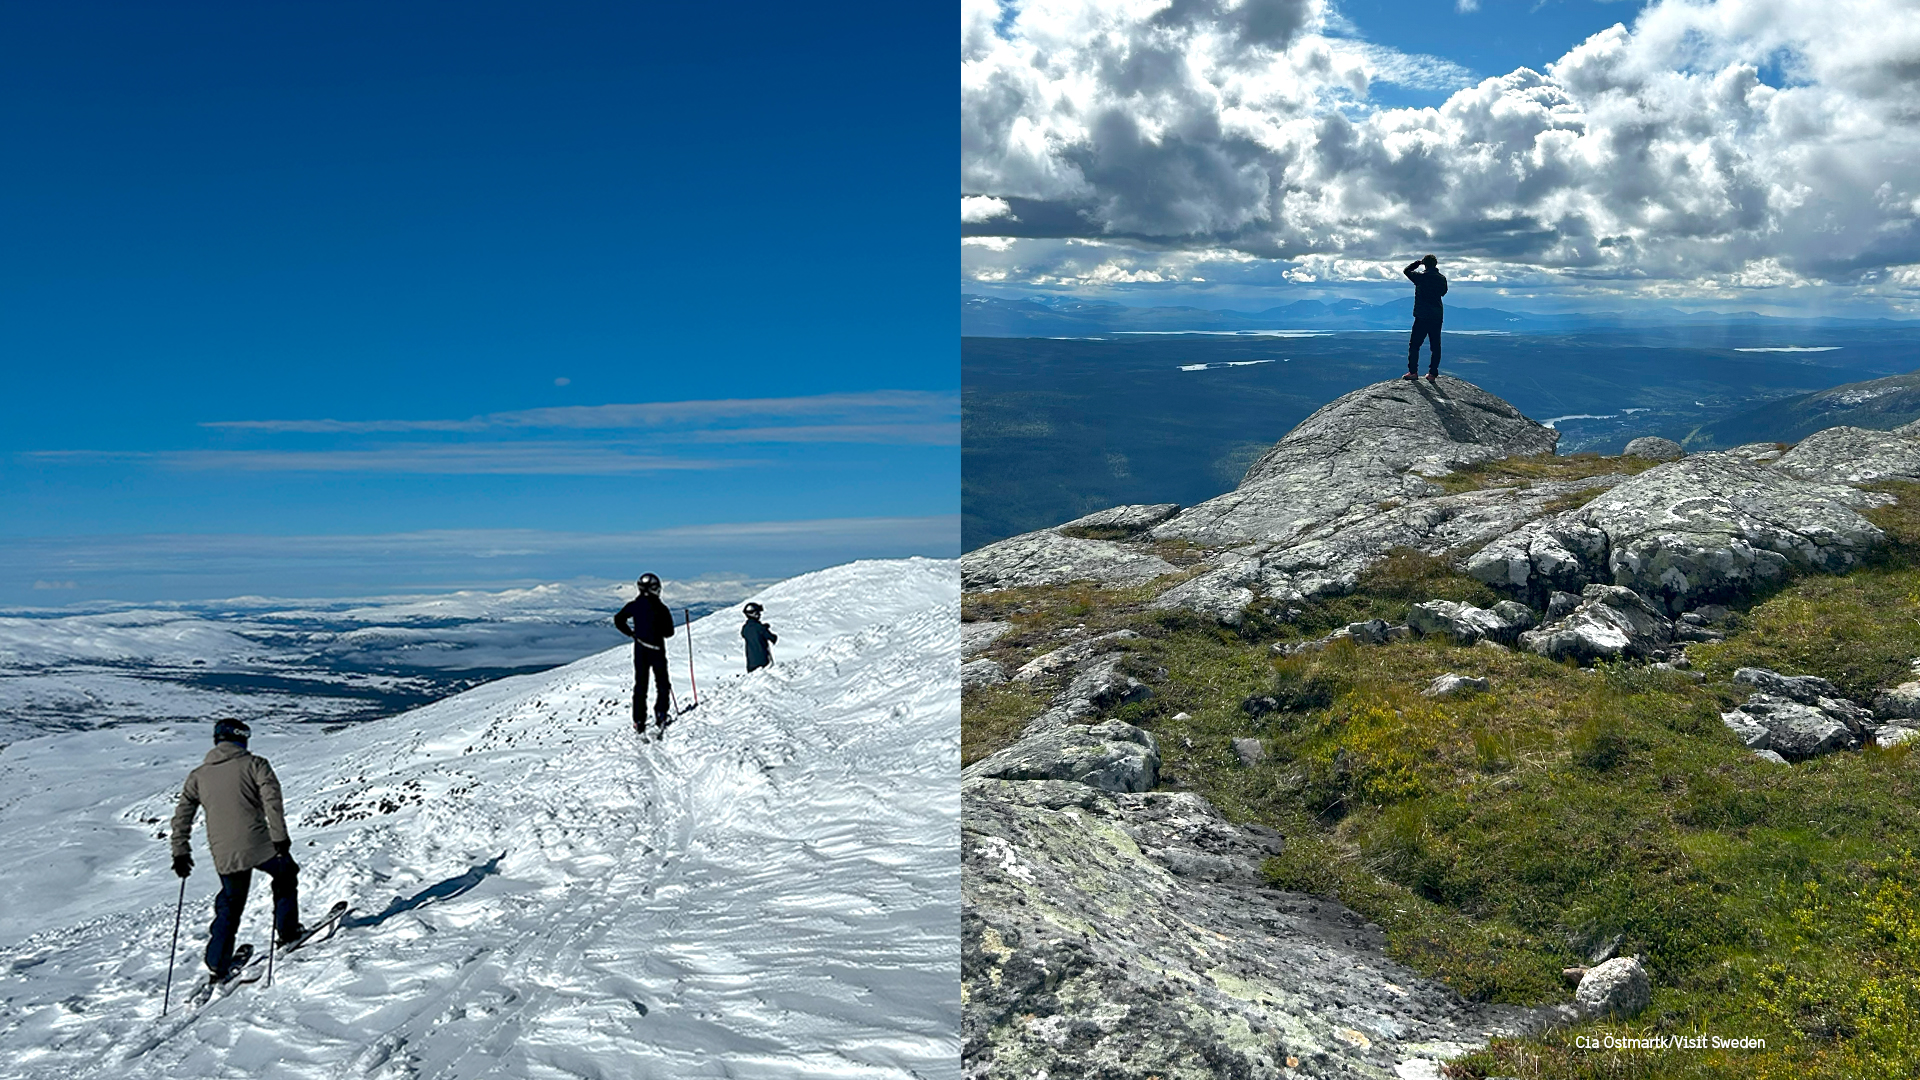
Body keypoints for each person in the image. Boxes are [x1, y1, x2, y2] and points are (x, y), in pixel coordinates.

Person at [169, 718, 304, 980]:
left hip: (224, 851)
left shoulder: (198, 775)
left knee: (231, 903)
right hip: (261, 844)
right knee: (285, 874)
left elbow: (182, 815)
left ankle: (217, 963)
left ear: (217, 740)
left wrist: (180, 852)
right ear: (243, 739)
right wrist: (280, 838)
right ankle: (289, 933)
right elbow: (272, 801)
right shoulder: (255, 764)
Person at [614, 572, 676, 733]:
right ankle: (661, 713)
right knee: (662, 683)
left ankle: (639, 720)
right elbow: (669, 632)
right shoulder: (661, 608)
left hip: (640, 649)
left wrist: (631, 633)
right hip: (657, 649)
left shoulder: (634, 605)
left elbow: (618, 619)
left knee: (641, 685)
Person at [1403, 254, 1448, 382]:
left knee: (1414, 345)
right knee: (1435, 346)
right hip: (1436, 316)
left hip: (1422, 316)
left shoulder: (1420, 278)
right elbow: (1443, 292)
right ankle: (1432, 374)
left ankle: (1413, 372)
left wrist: (1416, 263)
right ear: (1436, 264)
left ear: (1425, 264)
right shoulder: (1441, 278)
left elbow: (1406, 271)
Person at [741, 602, 778, 672]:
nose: (760, 614)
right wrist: (765, 629)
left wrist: (762, 627)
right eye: (758, 612)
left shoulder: (745, 628)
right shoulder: (760, 628)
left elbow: (748, 633)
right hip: (764, 661)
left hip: (750, 663)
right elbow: (773, 638)